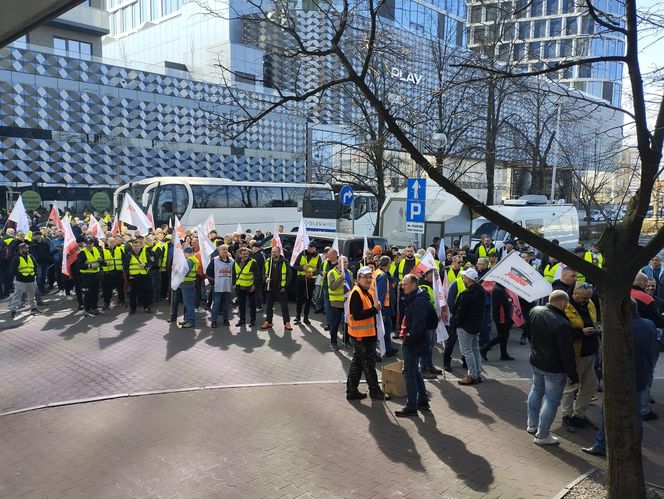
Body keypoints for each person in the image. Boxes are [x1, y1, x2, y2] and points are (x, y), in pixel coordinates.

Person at [582, 299, 659, 456]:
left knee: (608, 412)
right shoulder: (649, 325)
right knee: (635, 413)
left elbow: (605, 356)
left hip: (619, 377)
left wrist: (601, 370)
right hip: (641, 375)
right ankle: (634, 446)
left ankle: (601, 445)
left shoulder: (618, 328)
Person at [527, 290, 579, 446]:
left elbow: (528, 333)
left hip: (536, 360)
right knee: (551, 400)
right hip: (553, 367)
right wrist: (573, 375)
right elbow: (567, 353)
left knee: (536, 390)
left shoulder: (535, 311)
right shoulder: (561, 323)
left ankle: (532, 425)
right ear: (563, 303)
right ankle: (542, 435)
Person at [560, 282, 600, 432]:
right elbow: (563, 331)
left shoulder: (589, 303)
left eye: (588, 298)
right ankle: (567, 416)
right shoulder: (565, 306)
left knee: (591, 385)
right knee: (571, 386)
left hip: (591, 351)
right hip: (576, 353)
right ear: (574, 294)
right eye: (584, 298)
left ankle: (579, 415)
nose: (587, 301)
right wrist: (581, 333)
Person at [346, 266, 388, 401]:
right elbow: (356, 315)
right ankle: (374, 391)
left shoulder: (365, 291)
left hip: (364, 335)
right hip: (361, 336)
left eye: (370, 277)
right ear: (358, 278)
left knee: (358, 363)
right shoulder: (357, 293)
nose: (369, 279)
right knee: (368, 365)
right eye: (365, 277)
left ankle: (352, 391)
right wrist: (375, 310)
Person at [395, 274, 430, 416]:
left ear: (414, 285)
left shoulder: (418, 302)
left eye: (405, 284)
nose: (402, 286)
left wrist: (408, 338)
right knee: (414, 371)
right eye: (402, 284)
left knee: (408, 373)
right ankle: (422, 400)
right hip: (417, 341)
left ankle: (411, 405)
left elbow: (419, 324)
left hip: (414, 342)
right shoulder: (416, 298)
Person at [453, 268, 486, 385]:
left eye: (464, 277)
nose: (463, 279)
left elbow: (460, 313)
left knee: (467, 351)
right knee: (475, 349)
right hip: (476, 325)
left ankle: (472, 375)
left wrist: (457, 323)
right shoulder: (481, 291)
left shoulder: (466, 295)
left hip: (466, 326)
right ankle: (477, 373)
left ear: (467, 279)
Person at [261, 247, 293, 330]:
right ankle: (268, 322)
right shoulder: (268, 261)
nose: (273, 254)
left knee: (284, 307)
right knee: (268, 306)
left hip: (280, 288)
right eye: (272, 252)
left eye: (275, 252)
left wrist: (284, 286)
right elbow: (263, 273)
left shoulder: (285, 262)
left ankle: (287, 323)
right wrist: (265, 279)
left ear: (279, 253)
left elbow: (289, 275)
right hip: (270, 287)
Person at [481, 282, 514, 361]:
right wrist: (509, 300)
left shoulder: (498, 287)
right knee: (502, 336)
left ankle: (504, 354)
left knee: (504, 336)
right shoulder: (499, 289)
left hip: (500, 315)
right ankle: (484, 349)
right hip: (501, 316)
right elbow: (504, 302)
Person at [443, 255, 465, 372]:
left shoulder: (463, 274)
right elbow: (450, 299)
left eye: (462, 262)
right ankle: (446, 361)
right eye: (459, 262)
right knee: (451, 340)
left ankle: (465, 361)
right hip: (454, 313)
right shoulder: (446, 271)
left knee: (464, 340)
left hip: (464, 315)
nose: (461, 264)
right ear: (454, 262)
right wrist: (454, 313)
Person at [9, 243, 41, 318]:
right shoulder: (16, 258)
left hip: (31, 279)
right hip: (21, 281)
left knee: (32, 296)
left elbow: (36, 266)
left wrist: (34, 274)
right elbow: (13, 269)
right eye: (25, 248)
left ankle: (33, 308)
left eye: (27, 248)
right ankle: (13, 310)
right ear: (20, 249)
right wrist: (21, 275)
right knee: (17, 296)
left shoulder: (30, 256)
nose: (27, 250)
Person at [375, 255, 398, 357]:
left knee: (387, 328)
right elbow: (381, 294)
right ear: (388, 264)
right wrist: (382, 311)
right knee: (383, 330)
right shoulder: (382, 276)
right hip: (384, 308)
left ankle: (388, 349)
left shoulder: (379, 273)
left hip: (386, 308)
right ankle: (384, 350)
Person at [169, 246, 198, 328]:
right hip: (189, 283)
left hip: (186, 284)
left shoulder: (189, 261)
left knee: (188, 304)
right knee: (187, 303)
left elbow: (184, 272)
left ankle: (191, 321)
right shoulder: (193, 259)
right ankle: (187, 319)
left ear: (185, 253)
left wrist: (175, 270)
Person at [327, 256, 352, 351]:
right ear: (338, 263)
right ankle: (333, 342)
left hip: (347, 302)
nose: (346, 264)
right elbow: (332, 287)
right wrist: (340, 278)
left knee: (347, 323)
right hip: (336, 303)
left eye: (347, 262)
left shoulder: (349, 273)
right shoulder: (332, 273)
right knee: (335, 323)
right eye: (343, 262)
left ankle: (346, 340)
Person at [293, 241, 321, 325]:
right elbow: (295, 265)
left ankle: (306, 317)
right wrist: (302, 268)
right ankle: (298, 316)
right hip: (300, 279)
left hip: (310, 280)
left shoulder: (318, 257)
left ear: (314, 248)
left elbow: (319, 269)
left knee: (308, 299)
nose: (309, 248)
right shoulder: (302, 254)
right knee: (299, 299)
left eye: (311, 247)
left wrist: (313, 274)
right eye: (308, 246)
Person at [206, 244, 234, 328]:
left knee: (226, 304)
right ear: (219, 251)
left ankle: (226, 319)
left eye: (226, 249)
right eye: (223, 249)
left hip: (227, 286)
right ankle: (214, 321)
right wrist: (213, 281)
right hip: (217, 286)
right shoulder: (214, 260)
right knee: (216, 303)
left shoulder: (232, 261)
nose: (225, 251)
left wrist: (234, 283)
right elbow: (208, 271)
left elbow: (235, 272)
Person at [233, 247, 260, 327]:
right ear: (240, 255)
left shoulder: (253, 262)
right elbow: (234, 274)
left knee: (252, 305)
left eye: (247, 254)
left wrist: (254, 286)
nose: (246, 255)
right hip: (240, 287)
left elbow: (257, 275)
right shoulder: (236, 262)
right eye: (244, 254)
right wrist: (234, 283)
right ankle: (242, 320)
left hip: (250, 287)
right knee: (241, 305)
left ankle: (252, 321)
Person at [124, 238, 153, 314]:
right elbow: (125, 267)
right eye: (135, 246)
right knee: (133, 294)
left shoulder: (145, 253)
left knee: (145, 293)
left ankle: (146, 307)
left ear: (140, 246)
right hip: (134, 277)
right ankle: (132, 309)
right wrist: (129, 276)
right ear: (132, 247)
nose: (136, 248)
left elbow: (151, 263)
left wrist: (145, 265)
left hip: (144, 276)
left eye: (137, 246)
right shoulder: (129, 255)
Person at [76, 237, 102, 317]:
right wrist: (90, 265)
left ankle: (94, 308)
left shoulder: (96, 249)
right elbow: (79, 265)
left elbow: (99, 259)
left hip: (95, 275)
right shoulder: (82, 253)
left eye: (90, 244)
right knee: (87, 294)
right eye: (87, 244)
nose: (88, 245)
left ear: (93, 244)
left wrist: (100, 260)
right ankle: (87, 309)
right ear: (84, 244)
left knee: (95, 293)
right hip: (86, 276)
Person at [101, 235, 126, 308]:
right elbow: (100, 261)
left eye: (113, 242)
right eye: (110, 242)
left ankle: (122, 301)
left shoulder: (119, 249)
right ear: (107, 243)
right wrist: (105, 263)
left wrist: (123, 268)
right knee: (107, 290)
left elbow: (124, 259)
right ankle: (106, 303)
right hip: (108, 273)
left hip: (118, 272)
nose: (112, 243)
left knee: (120, 288)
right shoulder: (103, 251)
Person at [250, 241, 265, 311]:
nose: (252, 249)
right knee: (258, 291)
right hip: (260, 275)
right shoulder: (262, 254)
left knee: (257, 292)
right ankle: (259, 305)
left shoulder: (256, 256)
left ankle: (259, 306)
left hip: (256, 276)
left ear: (255, 248)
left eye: (252, 247)